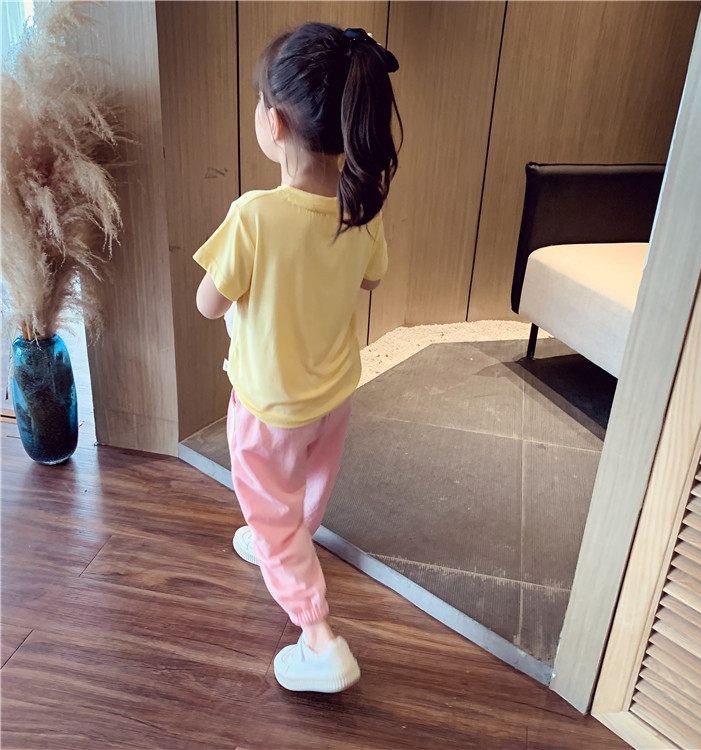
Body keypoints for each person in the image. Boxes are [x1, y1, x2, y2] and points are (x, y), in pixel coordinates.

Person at [193, 23, 401, 693]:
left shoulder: (254, 216)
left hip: (268, 409)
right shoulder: (360, 206)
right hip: (332, 395)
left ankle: (319, 639)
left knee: (269, 500)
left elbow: (207, 303)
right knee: (307, 489)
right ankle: (283, 539)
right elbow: (372, 279)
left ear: (274, 123)